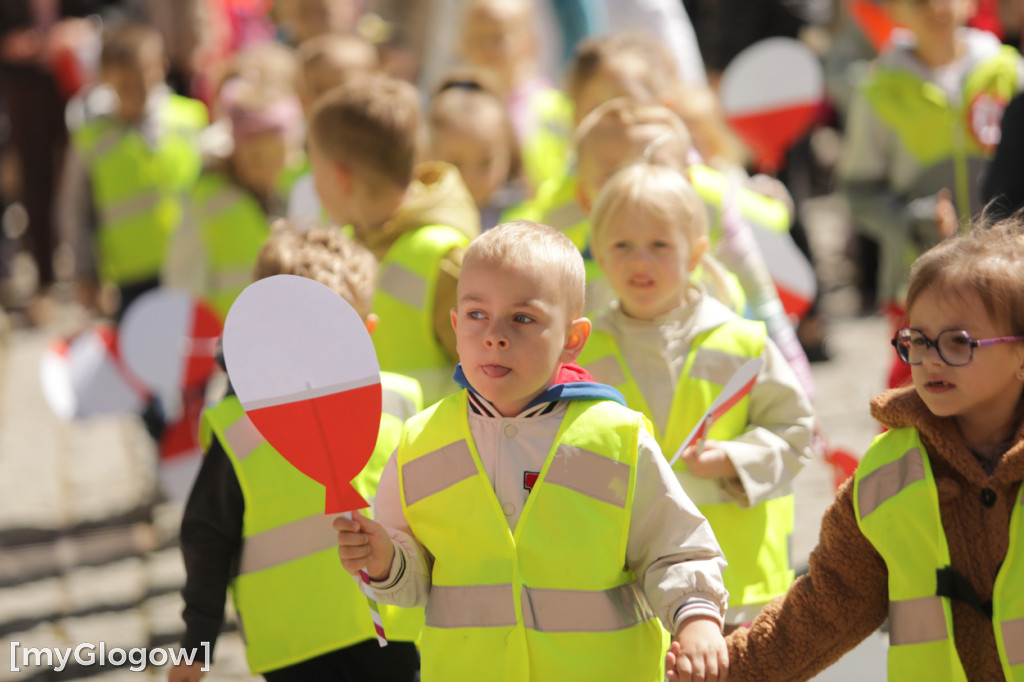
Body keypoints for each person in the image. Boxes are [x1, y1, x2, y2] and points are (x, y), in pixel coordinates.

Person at [335, 220, 730, 681]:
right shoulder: (420, 442)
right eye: (477, 315)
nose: (495, 335)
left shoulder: (617, 437)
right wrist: (384, 561)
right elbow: (416, 579)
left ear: (573, 339)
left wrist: (698, 621)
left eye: (523, 318)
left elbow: (675, 549)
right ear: (456, 324)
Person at [727, 216, 1024, 680]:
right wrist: (725, 668)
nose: (928, 359)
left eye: (958, 342)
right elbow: (828, 602)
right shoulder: (891, 467)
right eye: (918, 340)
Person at [169, 223, 424, 682]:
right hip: (293, 647)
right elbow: (207, 536)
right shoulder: (241, 431)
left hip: (396, 624)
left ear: (367, 332)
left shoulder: (402, 403)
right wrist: (198, 643)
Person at [578, 163, 816, 633]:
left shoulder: (740, 342)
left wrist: (734, 458)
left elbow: (796, 431)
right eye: (621, 245)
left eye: (659, 245)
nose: (639, 261)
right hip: (629, 587)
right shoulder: (585, 349)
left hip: (737, 588)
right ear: (599, 256)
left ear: (697, 253)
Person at [839, 0, 1024, 388]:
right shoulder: (878, 89)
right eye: (920, 1)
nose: (937, 7)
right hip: (921, 278)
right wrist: (914, 218)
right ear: (893, 11)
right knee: (921, 393)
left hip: (1008, 274)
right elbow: (858, 191)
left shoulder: (1009, 72)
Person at [306, 72, 479, 404]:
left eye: (315, 169)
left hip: (427, 455)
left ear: (340, 180)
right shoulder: (347, 241)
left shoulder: (444, 258)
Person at [61, 21, 207, 320]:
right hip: (131, 277)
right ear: (105, 81)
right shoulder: (91, 140)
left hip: (192, 264)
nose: (136, 93)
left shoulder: (190, 119)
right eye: (124, 85)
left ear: (161, 67)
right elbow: (75, 209)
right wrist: (86, 273)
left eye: (143, 80)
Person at [163, 76, 303, 321]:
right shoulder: (206, 199)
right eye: (255, 159)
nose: (265, 169)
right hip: (224, 339)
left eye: (276, 159)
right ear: (235, 148)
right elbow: (183, 282)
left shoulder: (296, 190)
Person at [457, 0, 574, 193]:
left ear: (530, 43)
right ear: (462, 45)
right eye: (477, 39)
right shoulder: (452, 103)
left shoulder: (552, 106)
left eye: (498, 38)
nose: (486, 49)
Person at [287, 32, 380, 228]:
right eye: (318, 90)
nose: (327, 101)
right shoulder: (291, 167)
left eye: (341, 89)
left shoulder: (388, 168)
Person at [427, 73, 527, 231]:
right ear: (429, 156)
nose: (471, 179)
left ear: (509, 154)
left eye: (486, 162)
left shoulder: (527, 225)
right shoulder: (412, 222)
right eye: (456, 164)